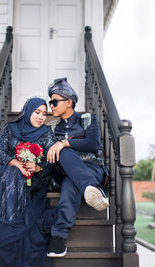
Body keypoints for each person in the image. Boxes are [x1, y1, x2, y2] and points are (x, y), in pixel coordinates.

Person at [0, 97, 57, 266]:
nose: (41, 117)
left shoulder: (47, 133)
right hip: (12, 170)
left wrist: (37, 167)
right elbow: (0, 153)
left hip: (34, 179)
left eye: (44, 114)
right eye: (37, 112)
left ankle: (5, 231)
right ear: (28, 112)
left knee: (14, 176)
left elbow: (51, 163)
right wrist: (17, 163)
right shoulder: (11, 128)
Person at [45, 77, 109, 257]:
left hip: (91, 168)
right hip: (62, 170)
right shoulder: (51, 128)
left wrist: (65, 142)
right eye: (50, 102)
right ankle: (91, 188)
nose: (51, 105)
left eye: (55, 101)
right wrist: (62, 145)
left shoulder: (87, 119)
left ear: (69, 102)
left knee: (70, 183)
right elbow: (50, 154)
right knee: (62, 151)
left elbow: (92, 145)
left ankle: (58, 237)